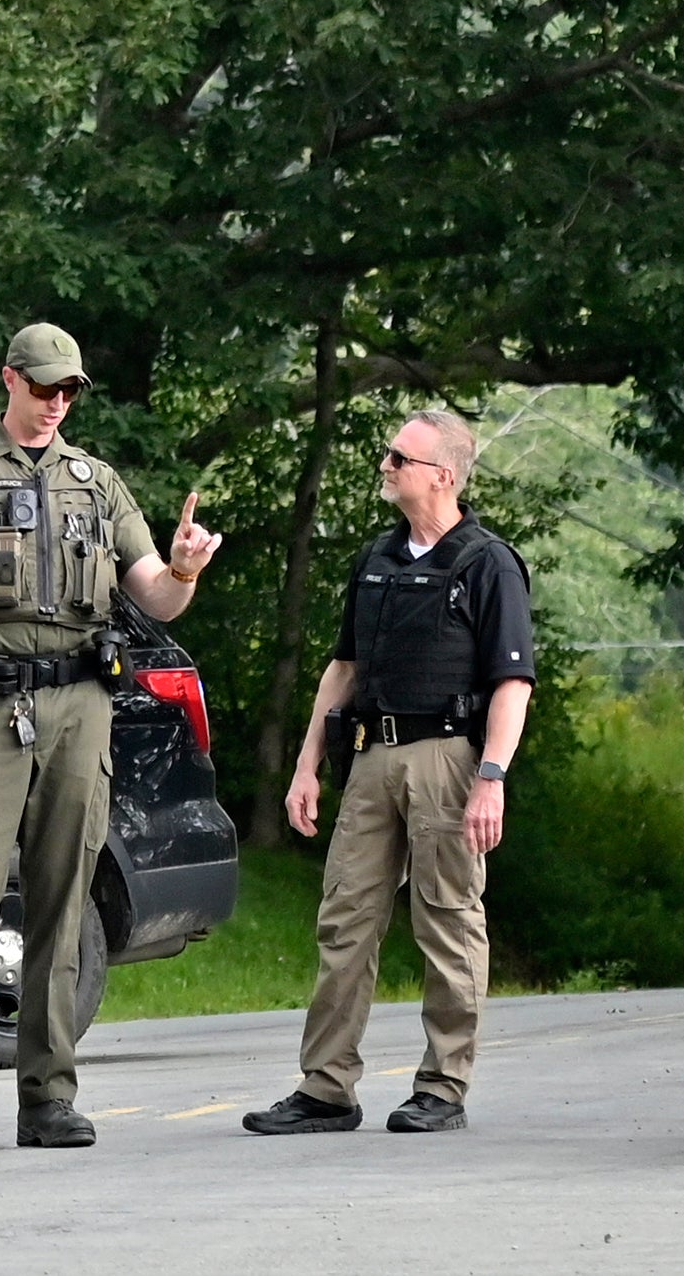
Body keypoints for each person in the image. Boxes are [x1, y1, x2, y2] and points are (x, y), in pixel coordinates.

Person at [0, 321, 224, 1156]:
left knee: (64, 901)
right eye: (45, 387)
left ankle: (49, 1096)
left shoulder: (97, 485)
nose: (57, 403)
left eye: (69, 391)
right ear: (11, 381)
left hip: (78, 708)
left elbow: (157, 600)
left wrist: (183, 569)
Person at [244, 407, 534, 1138]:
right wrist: (307, 762)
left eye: (399, 456)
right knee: (345, 918)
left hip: (448, 756)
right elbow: (342, 666)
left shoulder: (486, 561)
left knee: (448, 919)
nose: (386, 464)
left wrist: (491, 774)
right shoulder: (376, 558)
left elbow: (513, 683)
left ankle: (442, 1085)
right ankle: (326, 1086)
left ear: (442, 473)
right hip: (372, 755)